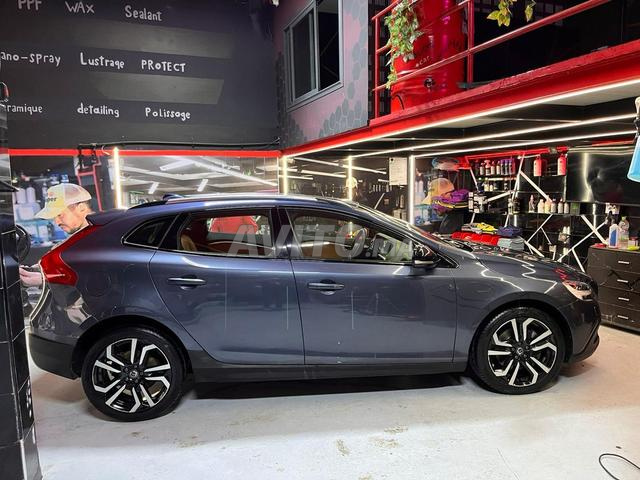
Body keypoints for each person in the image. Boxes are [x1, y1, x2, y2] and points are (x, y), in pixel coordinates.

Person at [19, 183, 94, 287]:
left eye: (60, 215)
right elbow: (57, 261)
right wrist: (32, 270)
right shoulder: (74, 239)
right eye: (54, 217)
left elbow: (92, 276)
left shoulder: (100, 237)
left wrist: (46, 280)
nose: (57, 222)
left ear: (81, 208)